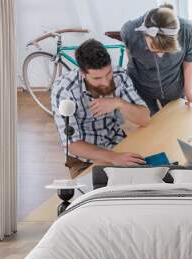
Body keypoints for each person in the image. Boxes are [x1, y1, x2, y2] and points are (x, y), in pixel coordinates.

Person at [51, 39, 150, 178]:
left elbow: (144, 118)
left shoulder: (119, 75)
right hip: (84, 159)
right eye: (97, 78)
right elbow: (71, 144)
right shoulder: (64, 91)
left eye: (108, 73)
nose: (105, 82)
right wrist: (114, 158)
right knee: (95, 196)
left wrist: (118, 103)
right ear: (82, 73)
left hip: (117, 144)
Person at [120, 4, 192, 115]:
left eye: (166, 51)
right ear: (145, 34)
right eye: (153, 49)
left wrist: (189, 90)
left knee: (175, 122)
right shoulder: (129, 31)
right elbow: (130, 57)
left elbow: (189, 60)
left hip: (173, 87)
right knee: (152, 124)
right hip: (143, 87)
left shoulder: (188, 31)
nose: (160, 55)